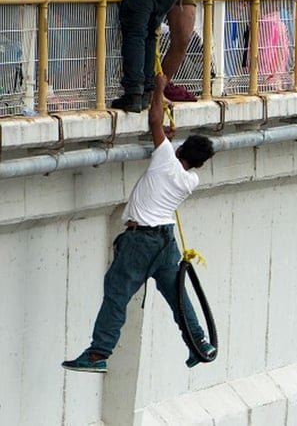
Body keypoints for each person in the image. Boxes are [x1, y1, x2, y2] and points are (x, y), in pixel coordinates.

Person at [62, 73, 216, 373]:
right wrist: (168, 144)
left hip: (140, 241)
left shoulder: (166, 159)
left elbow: (155, 120)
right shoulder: (190, 179)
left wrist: (158, 90)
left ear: (179, 151)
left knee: (116, 295)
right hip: (166, 243)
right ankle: (199, 344)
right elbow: (171, 157)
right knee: (179, 299)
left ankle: (97, 354)